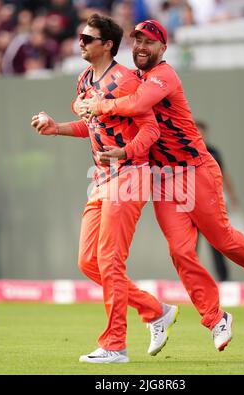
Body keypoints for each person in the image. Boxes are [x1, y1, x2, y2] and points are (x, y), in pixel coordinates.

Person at [76, 19, 244, 352]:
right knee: (181, 251)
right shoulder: (130, 78)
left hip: (194, 170)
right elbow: (106, 116)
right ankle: (215, 318)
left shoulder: (164, 75)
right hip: (163, 178)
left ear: (163, 48)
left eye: (149, 42)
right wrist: (80, 111)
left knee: (221, 238)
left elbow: (136, 106)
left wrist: (98, 104)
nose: (141, 47)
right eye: (137, 41)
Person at [31, 14, 179, 364]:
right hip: (101, 178)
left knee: (110, 260)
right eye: (81, 37)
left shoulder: (125, 80)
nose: (80, 42)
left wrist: (126, 152)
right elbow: (92, 126)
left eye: (87, 38)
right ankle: (155, 310)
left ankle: (115, 346)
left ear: (107, 44)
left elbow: (151, 130)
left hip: (129, 174)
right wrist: (56, 128)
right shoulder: (84, 78)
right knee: (89, 262)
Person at [196, 120, 240, 282]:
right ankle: (192, 280)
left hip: (211, 204)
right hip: (192, 205)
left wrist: (232, 197)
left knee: (217, 243)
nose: (200, 135)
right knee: (191, 245)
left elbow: (224, 175)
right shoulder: (185, 150)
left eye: (202, 132)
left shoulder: (213, 152)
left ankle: (224, 280)